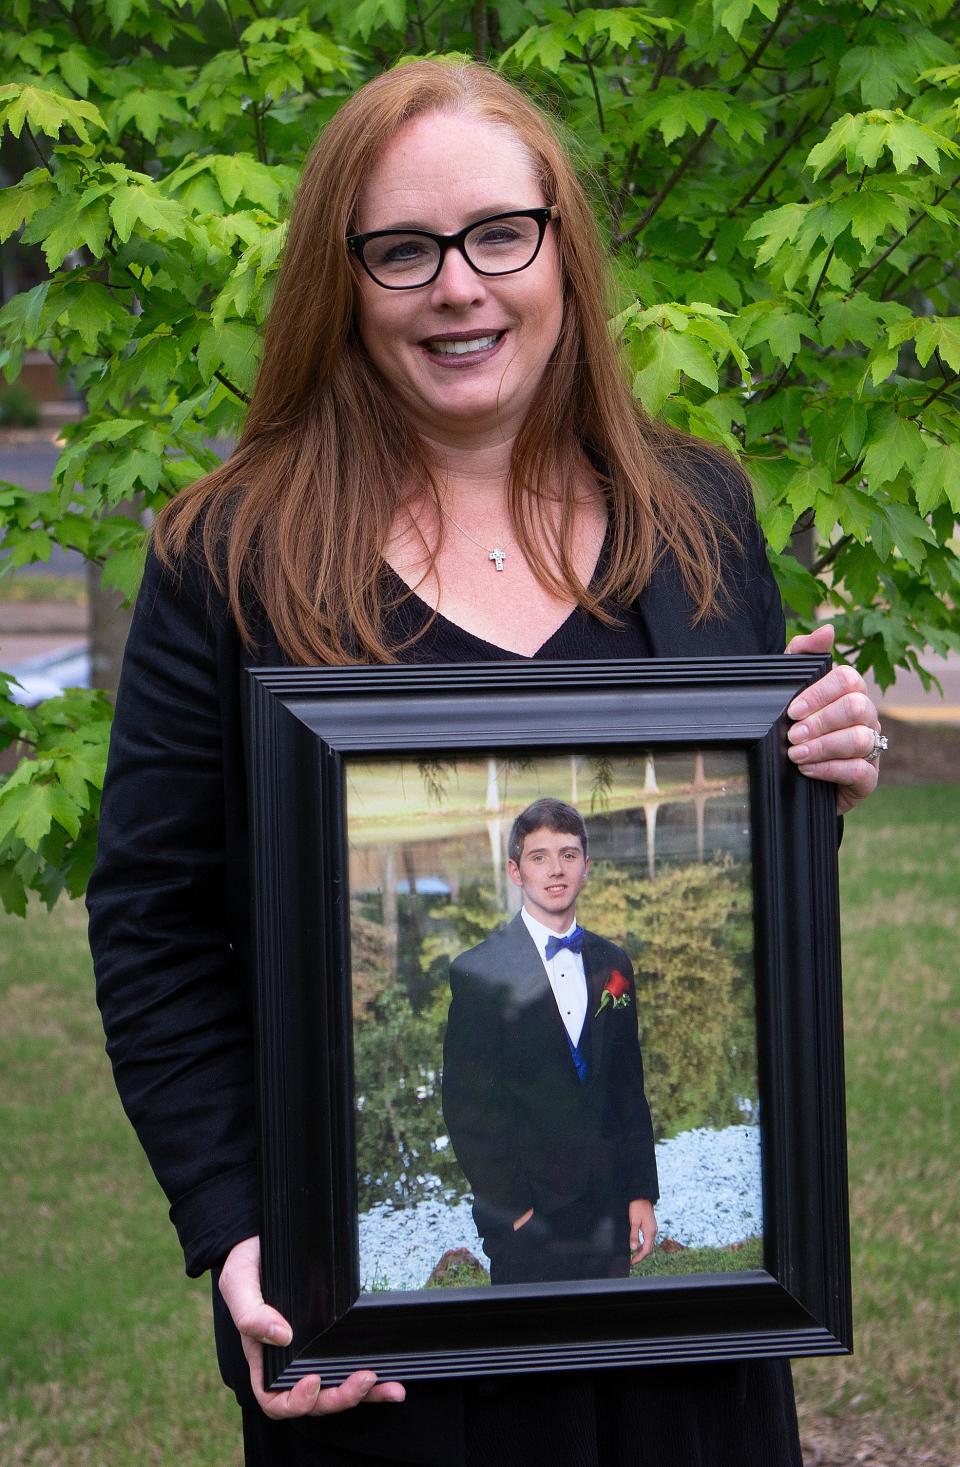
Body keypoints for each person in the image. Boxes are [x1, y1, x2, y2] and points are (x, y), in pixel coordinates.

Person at [87, 57, 884, 1467]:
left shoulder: (699, 514)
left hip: (683, 1353)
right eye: (402, 250)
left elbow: (766, 881)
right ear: (346, 280)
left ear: (560, 249)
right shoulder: (227, 555)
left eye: (496, 235)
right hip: (381, 1368)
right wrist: (239, 1230)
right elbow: (153, 924)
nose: (458, 285)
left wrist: (817, 769)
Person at [442, 797, 659, 1285]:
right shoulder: (480, 972)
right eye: (539, 857)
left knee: (607, 1351)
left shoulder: (613, 964)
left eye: (568, 854)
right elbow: (466, 1107)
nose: (555, 869)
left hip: (606, 1207)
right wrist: (513, 1207)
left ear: (586, 867)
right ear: (516, 872)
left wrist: (639, 1191)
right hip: (528, 1215)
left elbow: (628, 1086)